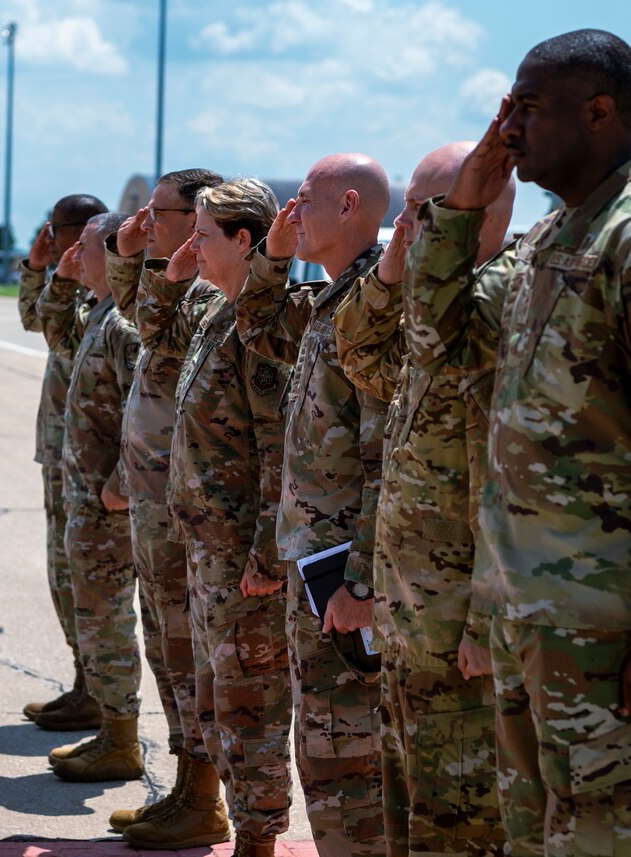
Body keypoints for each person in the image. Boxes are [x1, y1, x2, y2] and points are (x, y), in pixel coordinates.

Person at [407, 29, 631, 856]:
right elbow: (435, 338)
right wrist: (459, 212)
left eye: (528, 107)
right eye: (506, 108)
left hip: (622, 647)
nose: (509, 129)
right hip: (538, 636)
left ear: (600, 114)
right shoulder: (555, 242)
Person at [334, 142, 515, 857]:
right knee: (411, 815)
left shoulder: (502, 305)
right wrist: (390, 267)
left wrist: (485, 620)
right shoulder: (434, 303)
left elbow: (505, 479)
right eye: (404, 208)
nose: (403, 223)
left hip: (461, 625)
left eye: (421, 209)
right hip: (413, 617)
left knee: (463, 826)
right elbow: (360, 354)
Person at [233, 153, 394, 857]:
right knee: (327, 763)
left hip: (347, 583)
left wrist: (361, 584)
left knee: (350, 774)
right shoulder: (332, 300)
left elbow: (384, 460)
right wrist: (271, 258)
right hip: (319, 577)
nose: (290, 214)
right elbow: (259, 329)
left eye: (301, 200)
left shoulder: (375, 310)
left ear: (350, 206)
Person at [136, 178, 292, 857]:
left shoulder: (264, 329)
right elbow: (158, 344)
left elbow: (279, 448)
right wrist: (168, 279)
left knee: (248, 702)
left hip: (241, 557)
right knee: (215, 700)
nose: (191, 245)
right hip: (206, 547)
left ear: (245, 241)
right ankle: (225, 817)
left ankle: (257, 840)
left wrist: (268, 552)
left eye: (204, 236)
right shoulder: (216, 314)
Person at [102, 168, 233, 849]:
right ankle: (188, 788)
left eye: (162, 212)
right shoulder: (181, 284)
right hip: (157, 495)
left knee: (190, 649)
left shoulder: (211, 291)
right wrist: (137, 254)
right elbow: (139, 316)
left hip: (183, 505)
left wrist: (150, 264)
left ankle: (202, 796)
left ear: (199, 215)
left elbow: (154, 322)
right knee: (166, 644)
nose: (149, 221)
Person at [35, 211, 146, 781]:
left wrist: (119, 488)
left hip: (108, 508)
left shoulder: (125, 325)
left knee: (107, 621)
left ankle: (122, 739)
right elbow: (51, 328)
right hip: (88, 499)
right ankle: (110, 727)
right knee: (95, 616)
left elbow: (150, 414)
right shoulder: (101, 314)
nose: (74, 255)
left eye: (85, 246)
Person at [16, 194, 108, 731]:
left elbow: (54, 329)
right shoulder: (73, 284)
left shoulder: (99, 292)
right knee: (63, 572)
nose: (48, 241)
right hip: (62, 448)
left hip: (86, 456)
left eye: (54, 231)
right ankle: (85, 681)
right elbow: (34, 316)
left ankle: (98, 690)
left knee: (83, 576)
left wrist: (57, 276)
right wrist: (36, 267)